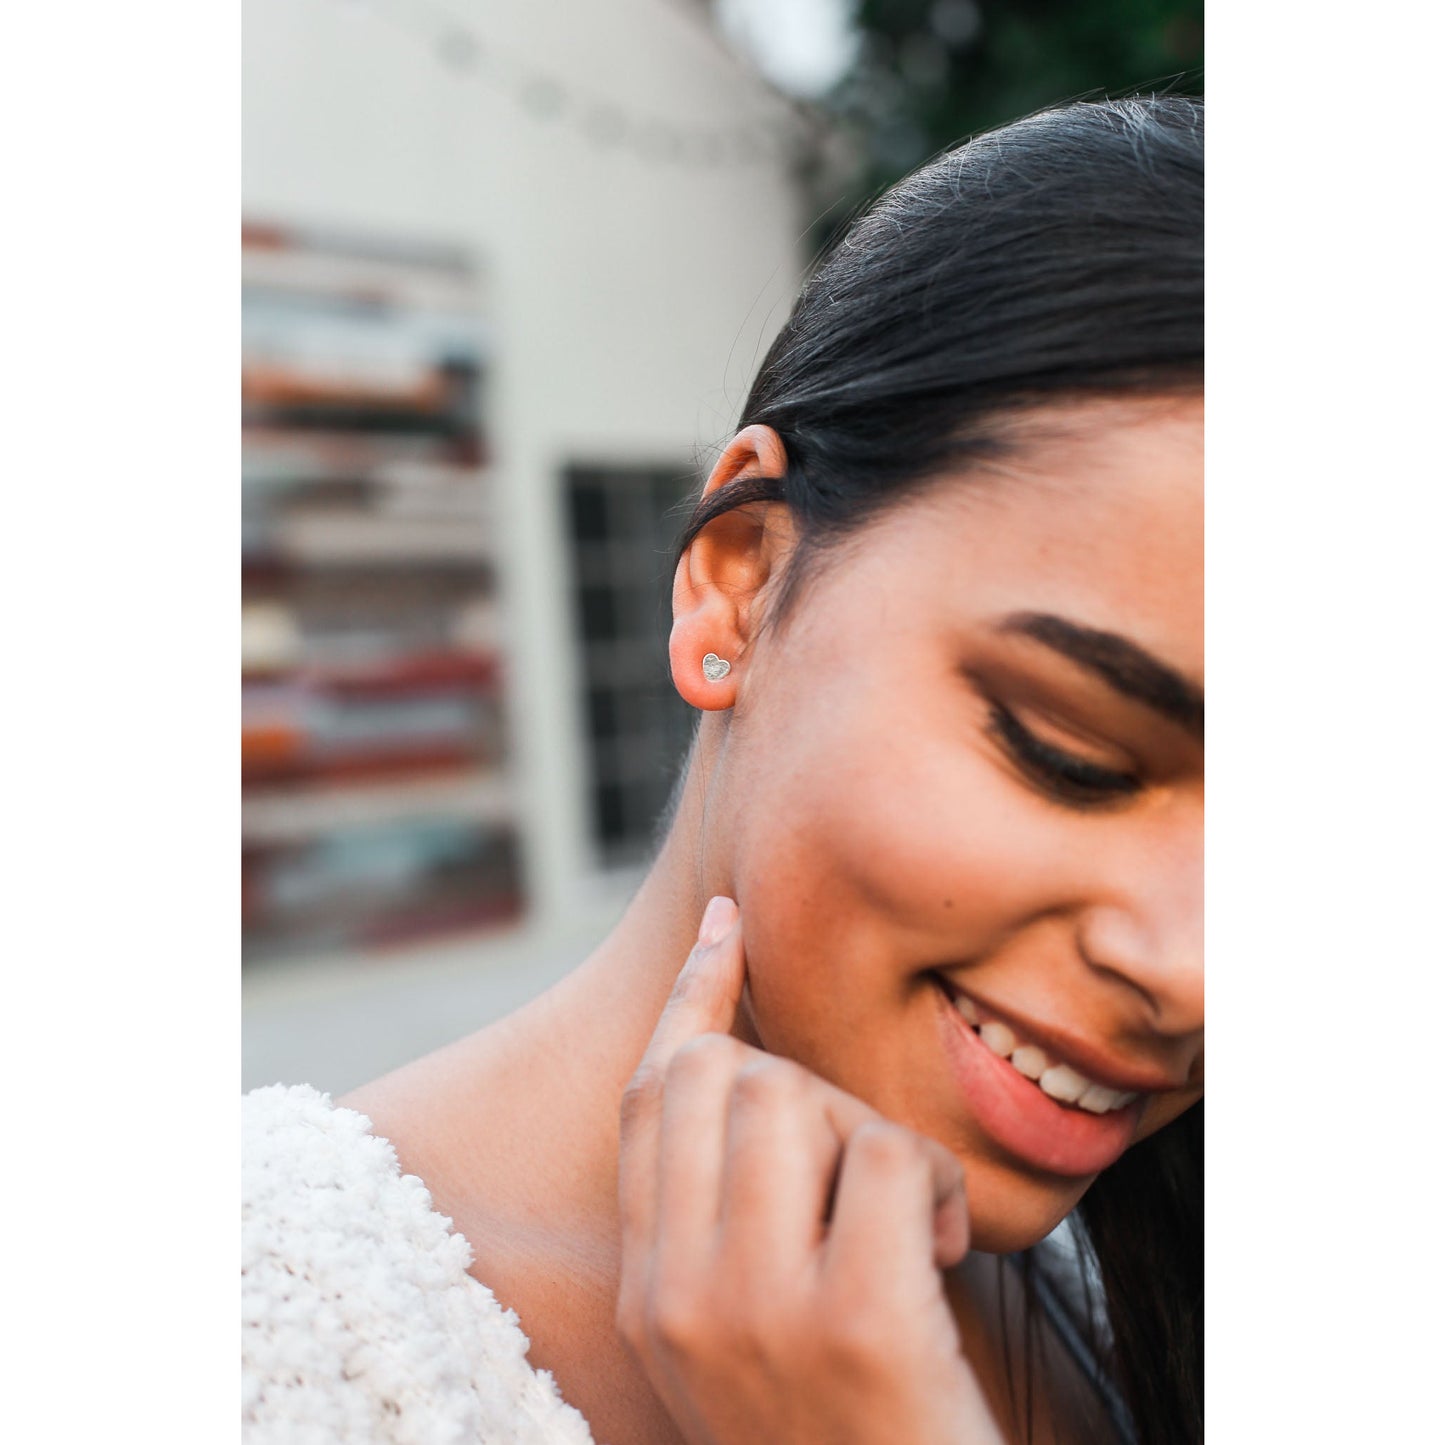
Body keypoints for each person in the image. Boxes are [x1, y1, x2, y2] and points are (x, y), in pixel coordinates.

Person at [243, 94, 1204, 1445]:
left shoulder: (1131, 1298)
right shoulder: (252, 1338)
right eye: (1074, 755)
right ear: (735, 582)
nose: (1190, 969)